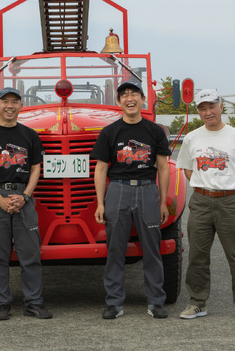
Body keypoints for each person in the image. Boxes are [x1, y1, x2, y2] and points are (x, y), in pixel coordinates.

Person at [0, 87, 52, 321]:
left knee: (30, 254)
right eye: (5, 101)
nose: (10, 105)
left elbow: (36, 168)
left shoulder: (29, 135)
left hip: (23, 198)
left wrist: (24, 196)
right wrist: (0, 200)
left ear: (21, 106)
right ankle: (2, 303)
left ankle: (33, 303)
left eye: (15, 101)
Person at [176, 89, 235, 320]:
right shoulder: (193, 138)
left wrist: (233, 193)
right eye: (202, 108)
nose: (208, 112)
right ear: (198, 112)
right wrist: (204, 187)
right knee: (197, 256)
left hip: (229, 201)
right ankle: (197, 303)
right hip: (201, 201)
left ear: (220, 106)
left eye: (211, 106)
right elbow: (186, 167)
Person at [91, 80, 171, 319]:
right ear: (118, 103)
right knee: (115, 249)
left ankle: (156, 301)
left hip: (148, 189)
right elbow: (101, 169)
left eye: (134, 94)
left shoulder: (155, 131)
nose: (129, 98)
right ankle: (114, 303)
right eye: (124, 95)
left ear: (143, 99)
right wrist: (101, 202)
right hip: (118, 190)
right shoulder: (110, 132)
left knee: (152, 249)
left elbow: (164, 168)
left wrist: (163, 201)